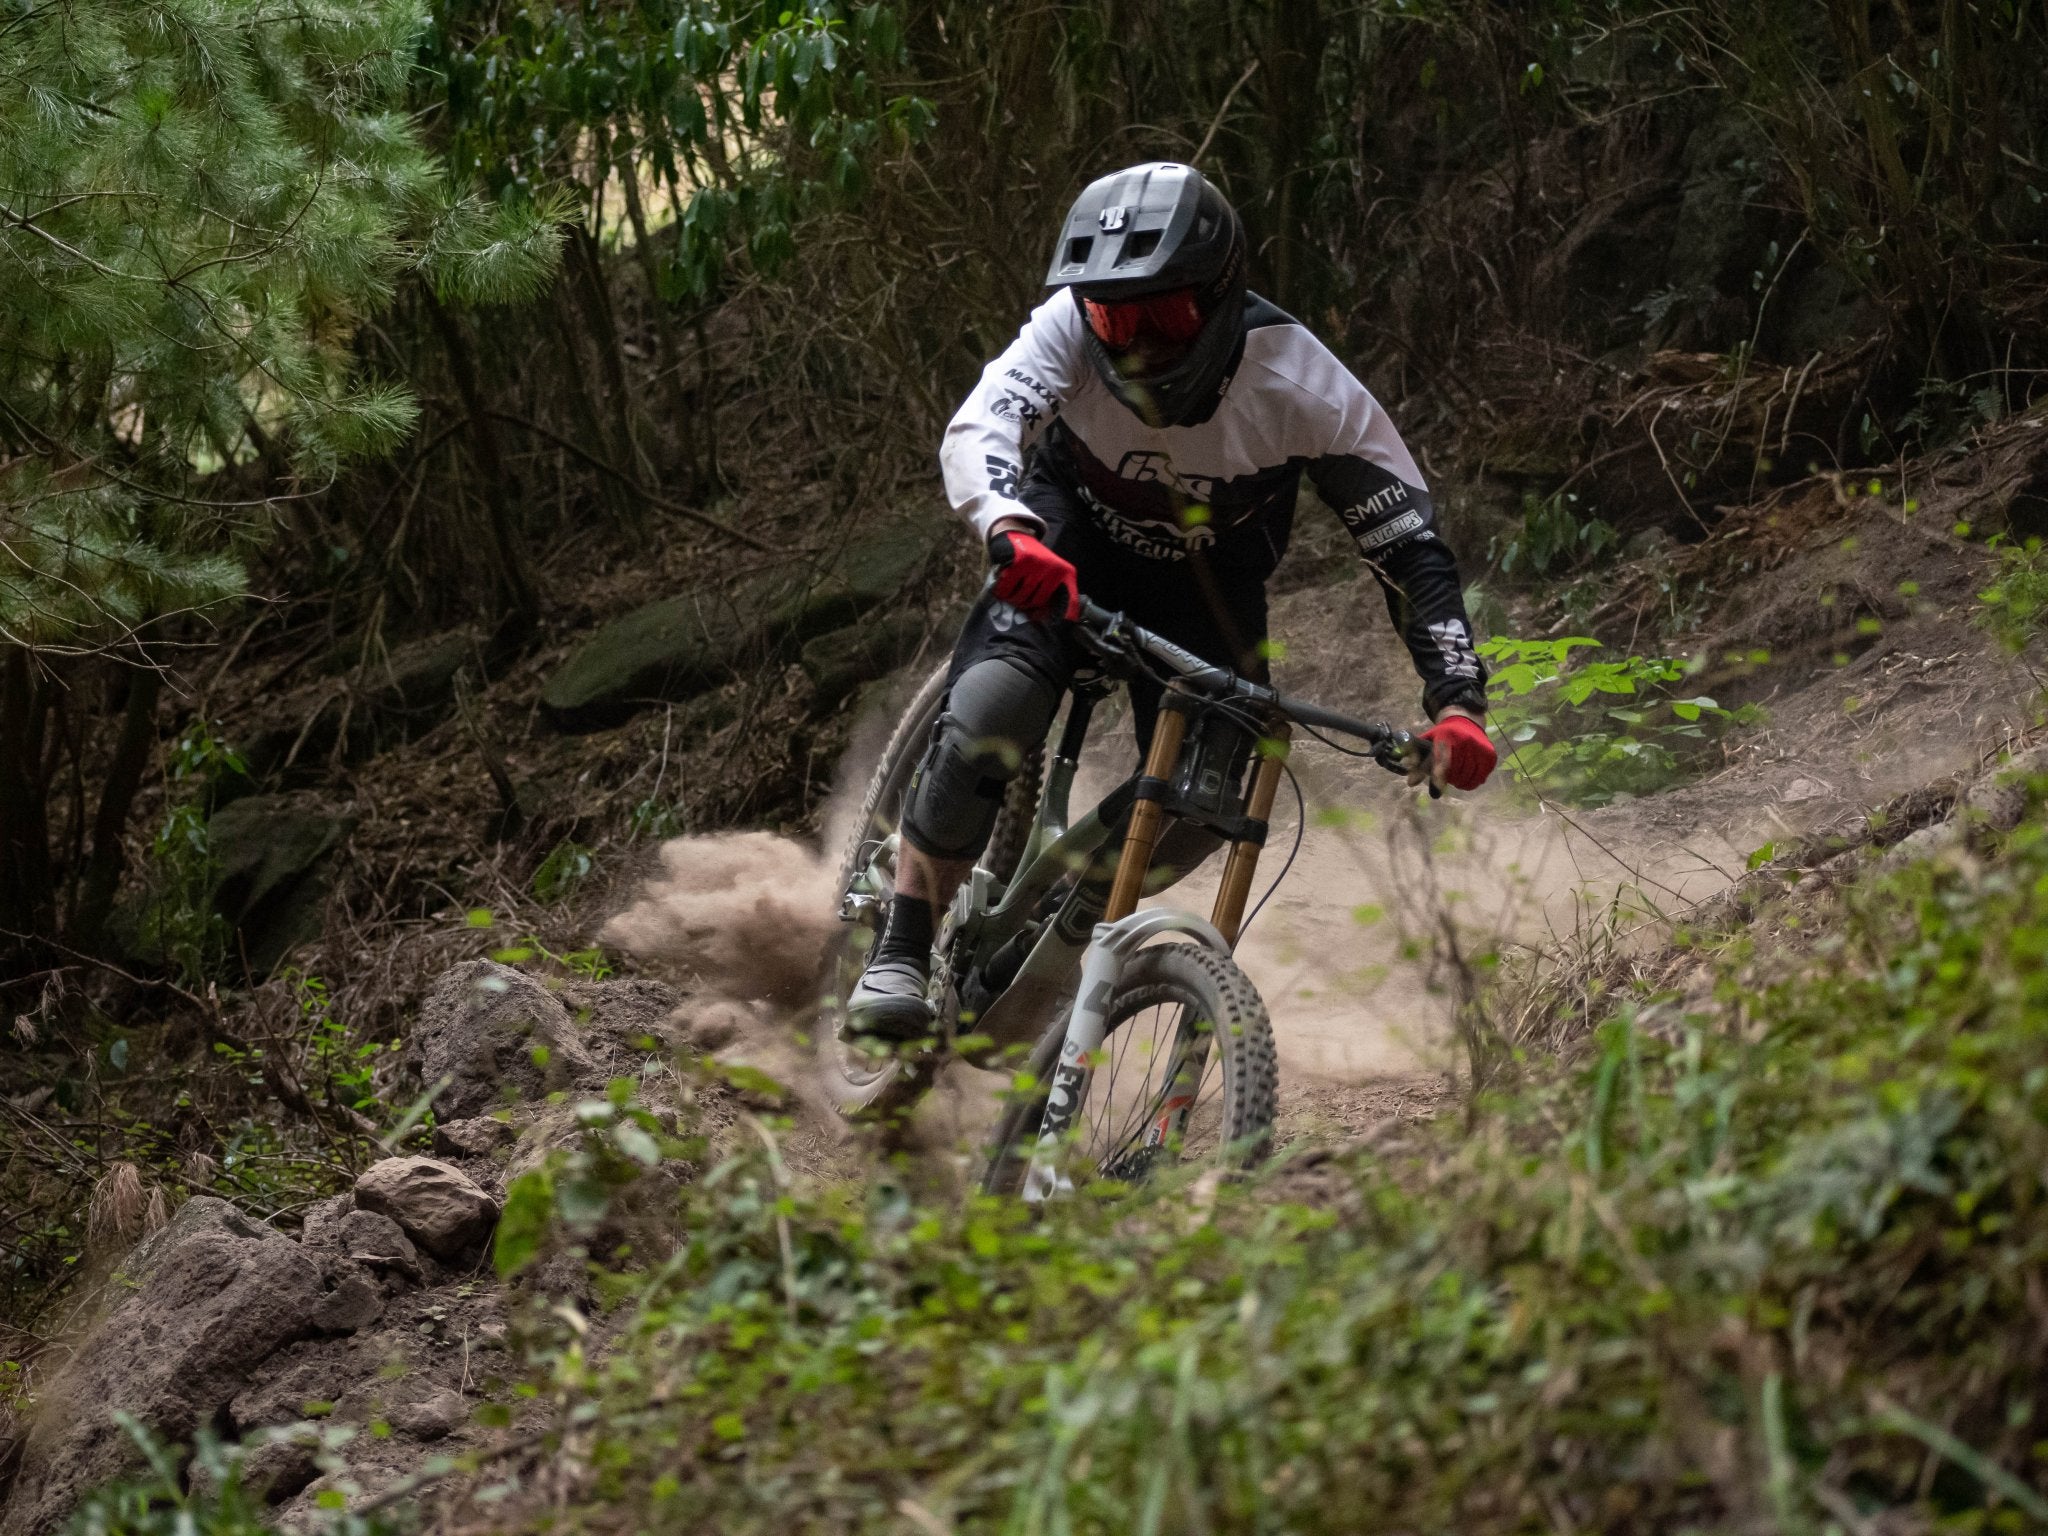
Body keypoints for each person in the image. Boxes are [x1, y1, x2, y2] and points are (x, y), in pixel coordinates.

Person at [848, 161, 1497, 1038]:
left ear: (1222, 293)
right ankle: (904, 940)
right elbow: (982, 423)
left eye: (1163, 315)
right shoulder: (1066, 330)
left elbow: (1407, 544)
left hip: (1208, 591)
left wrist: (1456, 701)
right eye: (1115, 316)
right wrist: (1010, 525)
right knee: (993, 707)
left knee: (1204, 801)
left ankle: (1059, 943)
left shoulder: (1302, 383)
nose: (1135, 343)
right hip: (1064, 544)